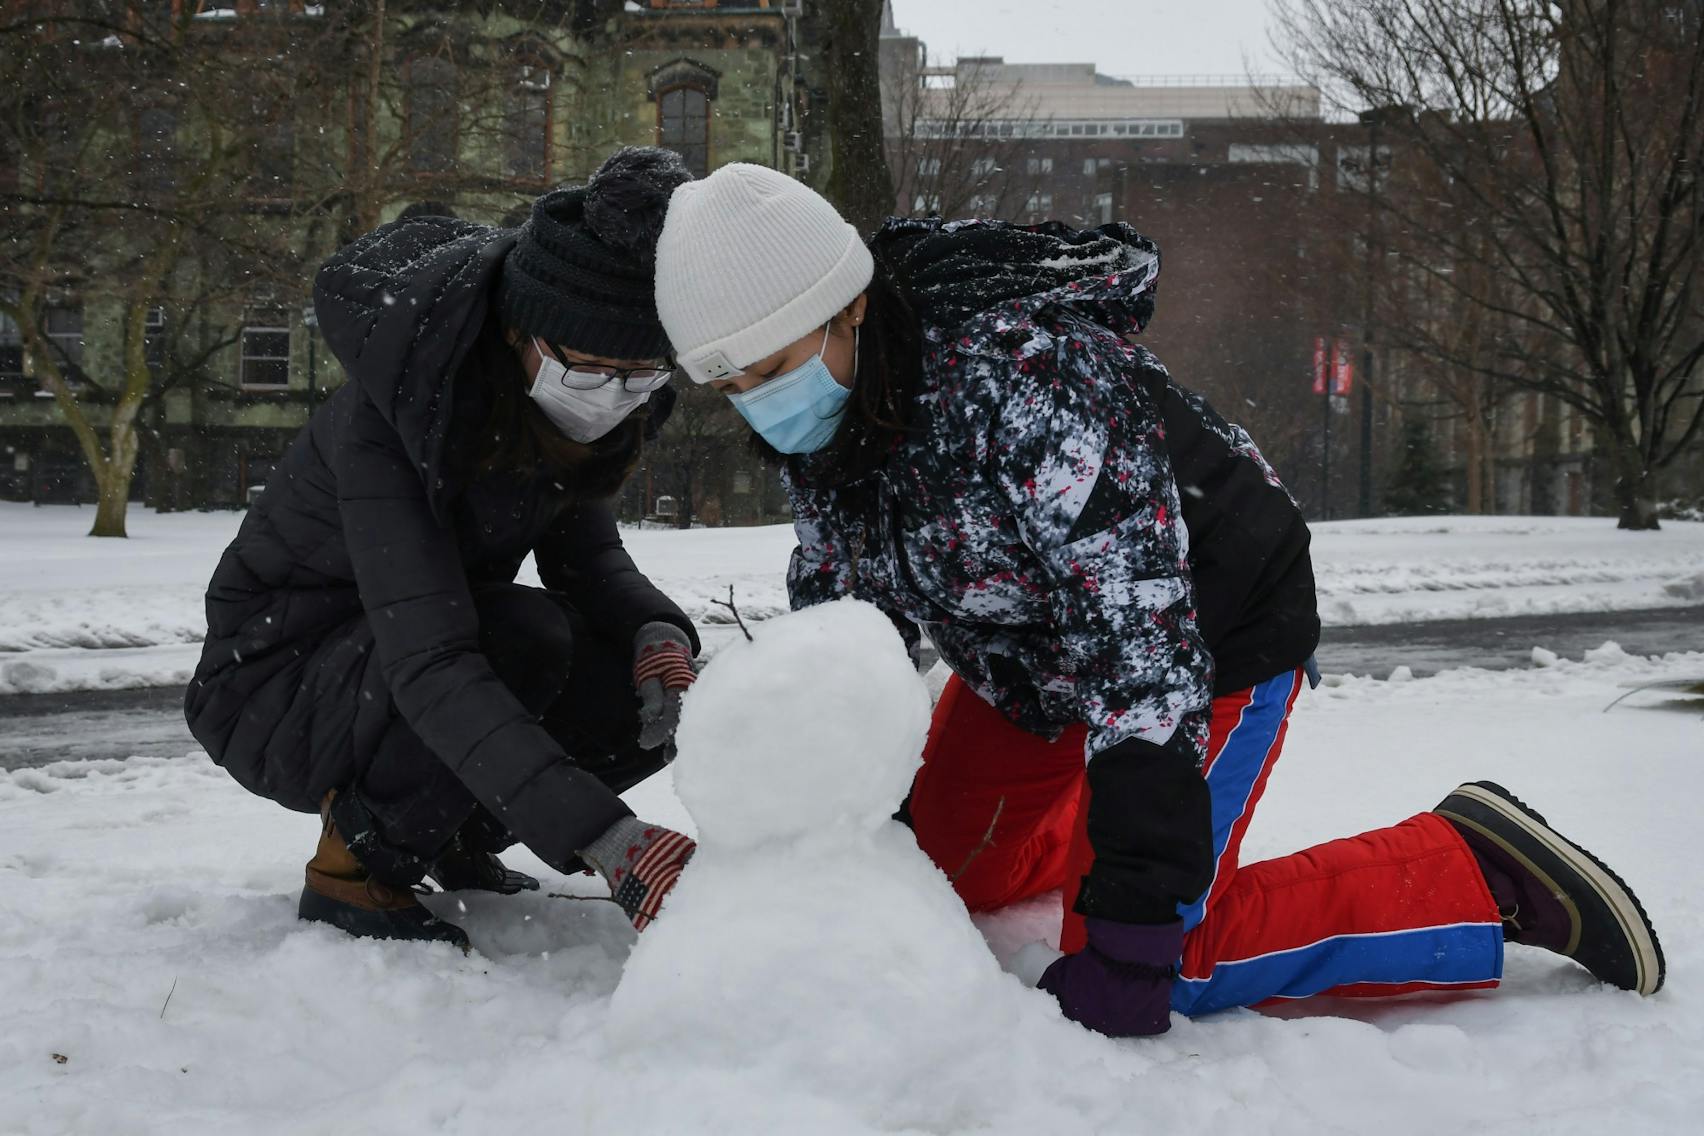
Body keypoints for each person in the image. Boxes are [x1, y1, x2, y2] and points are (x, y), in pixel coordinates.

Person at [651, 164, 1665, 1037]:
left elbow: (1144, 652)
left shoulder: (1025, 382)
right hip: (1030, 660)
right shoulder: (829, 429)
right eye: (731, 383)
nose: (760, 399)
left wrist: (1133, 913)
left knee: (1162, 959)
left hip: (1207, 631)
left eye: (773, 368)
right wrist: (803, 828)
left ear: (848, 307)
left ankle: (1474, 870)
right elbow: (846, 629)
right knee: (925, 874)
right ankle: (1094, 837)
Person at [186, 149, 702, 950]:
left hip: (396, 666)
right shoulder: (394, 421)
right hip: (277, 680)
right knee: (521, 636)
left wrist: (658, 640)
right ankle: (354, 870)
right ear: (517, 331)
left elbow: (592, 565)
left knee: (626, 690)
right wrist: (610, 840)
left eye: (640, 381)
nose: (612, 402)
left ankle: (452, 834)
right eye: (591, 372)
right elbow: (433, 657)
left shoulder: (561, 414)